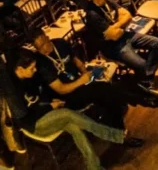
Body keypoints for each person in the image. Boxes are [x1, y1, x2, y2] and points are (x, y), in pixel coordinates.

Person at [8, 48, 140, 170]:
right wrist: (49, 106)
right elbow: (24, 116)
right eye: (31, 68)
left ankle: (94, 167)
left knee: (75, 128)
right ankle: (115, 135)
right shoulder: (12, 90)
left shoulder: (30, 78)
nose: (35, 70)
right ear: (19, 69)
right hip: (35, 124)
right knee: (68, 114)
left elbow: (39, 97)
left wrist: (49, 102)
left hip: (47, 114)